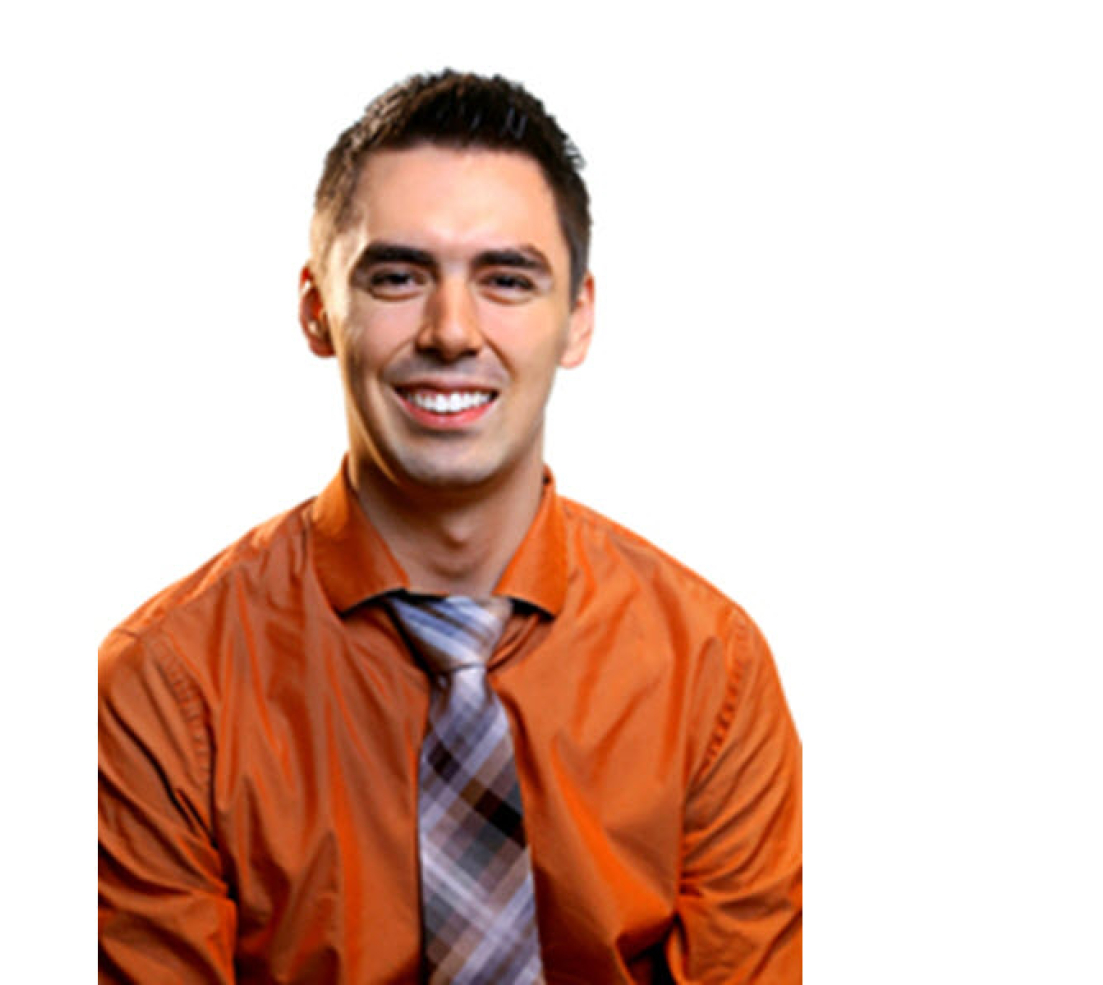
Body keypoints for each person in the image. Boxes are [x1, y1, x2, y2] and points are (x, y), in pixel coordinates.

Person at [98, 69, 801, 984]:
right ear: (318, 308)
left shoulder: (714, 673)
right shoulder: (167, 690)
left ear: (578, 319)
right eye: (398, 275)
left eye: (507, 279)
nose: (451, 330)